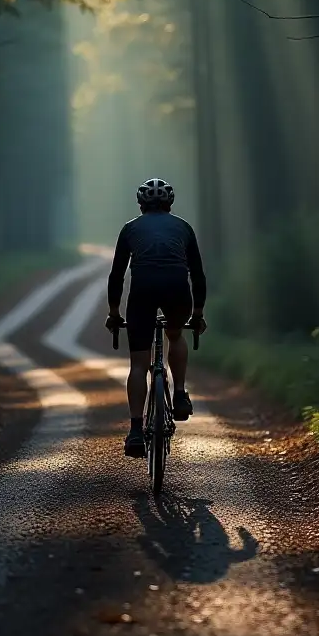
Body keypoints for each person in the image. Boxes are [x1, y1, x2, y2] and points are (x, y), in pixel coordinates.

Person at [105, 178, 207, 458]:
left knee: (139, 365)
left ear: (140, 205)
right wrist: (197, 313)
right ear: (170, 204)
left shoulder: (130, 229)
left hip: (142, 292)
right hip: (177, 290)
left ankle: (136, 431)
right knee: (175, 334)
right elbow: (197, 275)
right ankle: (180, 394)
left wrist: (114, 313)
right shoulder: (184, 228)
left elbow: (116, 276)